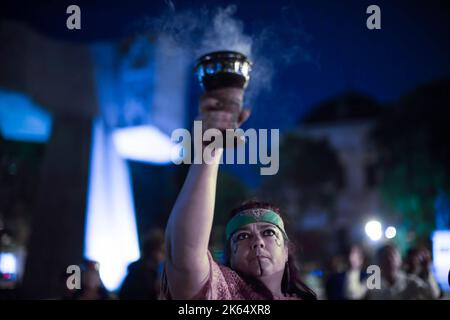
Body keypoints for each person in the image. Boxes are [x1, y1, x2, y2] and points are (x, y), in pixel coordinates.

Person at [161, 87, 316, 300]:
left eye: (269, 232)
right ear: (230, 257)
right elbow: (184, 258)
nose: (257, 242)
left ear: (287, 249)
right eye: (242, 237)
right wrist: (210, 151)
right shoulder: (225, 292)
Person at [368, 244, 436, 300]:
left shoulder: (411, 282)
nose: (389, 260)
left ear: (399, 260)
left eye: (392, 256)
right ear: (378, 261)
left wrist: (427, 271)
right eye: (385, 257)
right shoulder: (371, 286)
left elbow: (432, 295)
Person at [119, 228, 165, 300]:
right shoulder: (139, 276)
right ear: (153, 251)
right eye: (162, 250)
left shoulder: (147, 272)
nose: (164, 255)